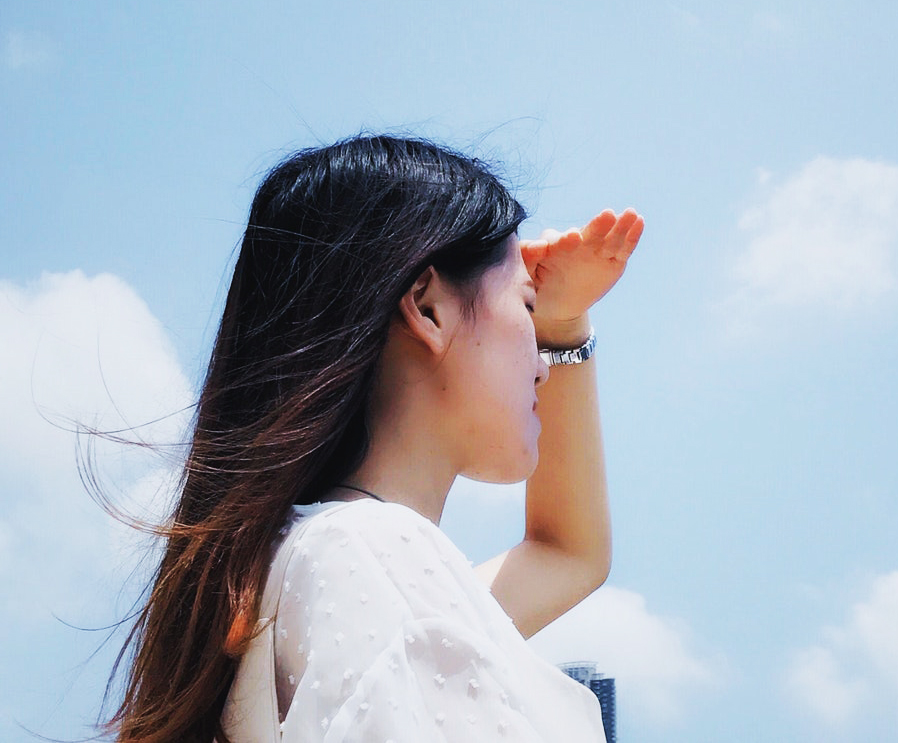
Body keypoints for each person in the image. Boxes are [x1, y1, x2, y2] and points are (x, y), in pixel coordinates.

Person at [100, 135, 644, 742]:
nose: (541, 360)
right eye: (527, 306)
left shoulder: (332, 567)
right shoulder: (373, 555)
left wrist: (564, 321)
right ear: (428, 309)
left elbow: (569, 555)